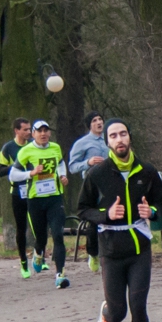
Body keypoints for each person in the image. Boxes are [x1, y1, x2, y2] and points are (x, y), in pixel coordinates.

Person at [79, 119, 162, 322]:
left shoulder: (147, 171)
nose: (119, 140)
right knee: (119, 313)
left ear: (130, 137)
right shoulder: (97, 174)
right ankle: (107, 314)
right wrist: (105, 214)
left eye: (123, 134)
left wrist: (151, 211)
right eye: (114, 136)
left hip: (139, 247)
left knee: (138, 306)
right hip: (111, 249)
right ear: (107, 142)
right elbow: (82, 209)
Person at [10, 120, 72, 289]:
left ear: (49, 133)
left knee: (58, 234)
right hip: (35, 199)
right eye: (39, 131)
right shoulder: (26, 151)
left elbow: (60, 163)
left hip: (55, 198)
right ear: (33, 134)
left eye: (46, 130)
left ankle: (60, 274)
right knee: (41, 238)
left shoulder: (56, 148)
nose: (43, 134)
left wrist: (62, 176)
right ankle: (38, 252)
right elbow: (13, 175)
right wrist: (31, 173)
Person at [68, 112, 107, 272]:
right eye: (94, 120)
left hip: (110, 183)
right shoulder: (82, 143)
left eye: (100, 119)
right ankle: (93, 253)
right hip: (92, 186)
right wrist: (88, 162)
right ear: (89, 125)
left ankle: (111, 253)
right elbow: (72, 166)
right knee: (94, 219)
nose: (99, 122)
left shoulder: (110, 139)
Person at [0, 118, 34, 278]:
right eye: (25, 129)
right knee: (21, 227)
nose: (28, 132)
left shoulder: (34, 145)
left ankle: (39, 255)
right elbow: (0, 171)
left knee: (39, 224)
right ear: (16, 131)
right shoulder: (8, 148)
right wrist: (16, 166)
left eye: (29, 129)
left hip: (35, 190)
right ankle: (23, 261)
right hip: (18, 192)